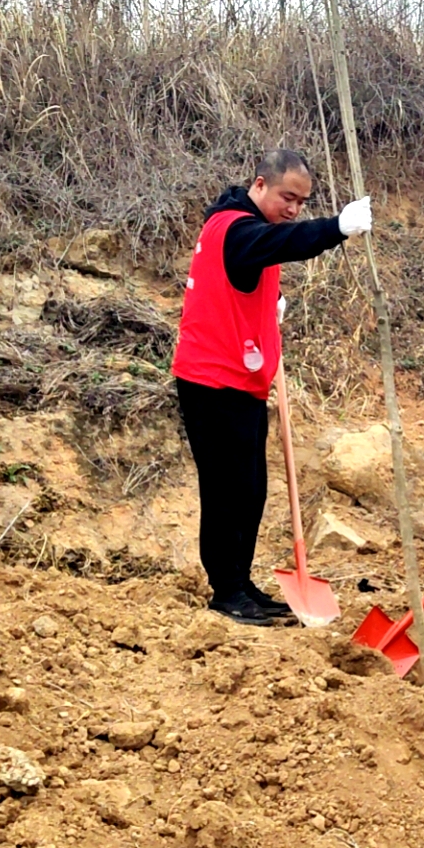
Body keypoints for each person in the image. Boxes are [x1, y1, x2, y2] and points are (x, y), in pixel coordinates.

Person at [172, 149, 372, 626]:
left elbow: (247, 273)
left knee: (251, 489)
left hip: (239, 381)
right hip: (212, 381)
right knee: (226, 491)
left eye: (303, 202)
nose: (294, 209)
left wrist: (270, 301)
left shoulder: (241, 229)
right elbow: (282, 243)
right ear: (259, 185)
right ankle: (226, 592)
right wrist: (334, 228)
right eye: (288, 197)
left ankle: (240, 584)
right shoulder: (237, 229)